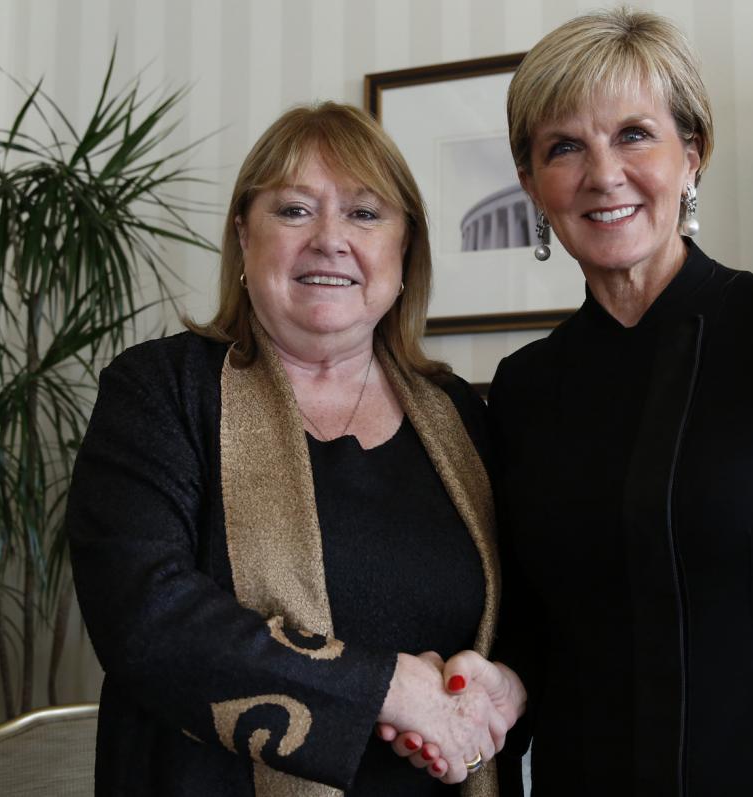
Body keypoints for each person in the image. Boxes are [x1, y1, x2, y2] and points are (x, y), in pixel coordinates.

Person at [482, 9, 753, 796]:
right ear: (531, 185)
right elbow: (528, 638)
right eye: (564, 147)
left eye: (633, 135)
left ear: (692, 156)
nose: (602, 173)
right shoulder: (522, 389)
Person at [65, 101, 524, 796]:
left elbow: (524, 610)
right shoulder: (160, 391)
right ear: (243, 235)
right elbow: (146, 617)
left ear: (404, 253)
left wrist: (505, 685)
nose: (331, 239)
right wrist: (386, 689)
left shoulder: (460, 413)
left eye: (366, 214)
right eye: (294, 210)